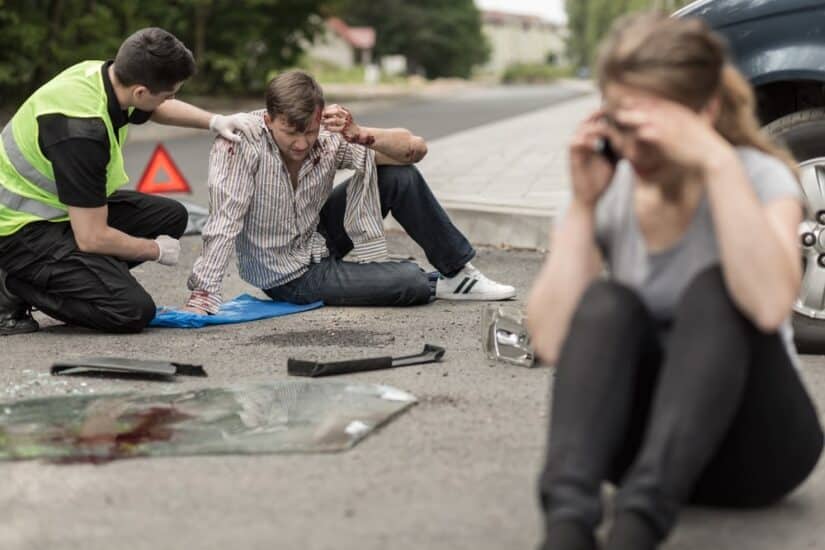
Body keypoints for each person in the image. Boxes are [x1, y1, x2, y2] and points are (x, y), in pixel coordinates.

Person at [525, 13, 823, 550]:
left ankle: (637, 529)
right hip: (638, 446)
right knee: (607, 302)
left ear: (704, 111)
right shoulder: (609, 179)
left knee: (717, 292)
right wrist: (583, 209)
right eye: (620, 126)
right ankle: (566, 527)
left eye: (649, 129)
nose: (633, 148)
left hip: (758, 449)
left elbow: (769, 304)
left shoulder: (758, 175)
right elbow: (549, 339)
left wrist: (715, 159)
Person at [182, 70, 515, 315]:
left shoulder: (327, 134)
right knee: (410, 283)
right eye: (290, 133)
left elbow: (415, 149)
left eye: (309, 132)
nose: (301, 143)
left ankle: (459, 272)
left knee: (400, 176)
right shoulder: (240, 142)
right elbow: (226, 219)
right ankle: (425, 280)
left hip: (317, 236)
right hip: (287, 272)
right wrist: (204, 293)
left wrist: (360, 133)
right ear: (269, 120)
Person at [0, 27, 258, 335]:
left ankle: (81, 280)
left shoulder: (103, 75)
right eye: (169, 94)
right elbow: (91, 238)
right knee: (132, 311)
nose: (171, 99)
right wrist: (153, 250)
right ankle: (14, 285)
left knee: (171, 217)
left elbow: (157, 106)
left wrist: (215, 122)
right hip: (18, 232)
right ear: (140, 92)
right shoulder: (81, 132)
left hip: (54, 213)